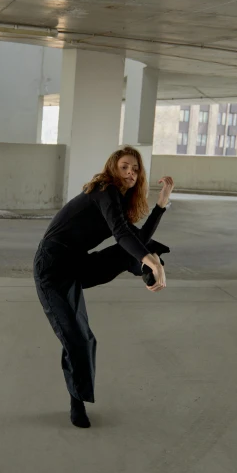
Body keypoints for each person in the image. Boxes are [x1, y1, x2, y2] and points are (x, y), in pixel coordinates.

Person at [33, 145, 174, 429]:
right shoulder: (104, 191)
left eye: (135, 169)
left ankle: (148, 272)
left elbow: (136, 237)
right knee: (79, 338)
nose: (130, 173)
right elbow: (122, 233)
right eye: (124, 166)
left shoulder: (118, 203)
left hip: (77, 265)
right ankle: (77, 402)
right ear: (113, 167)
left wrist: (161, 204)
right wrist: (153, 262)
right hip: (52, 268)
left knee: (135, 251)